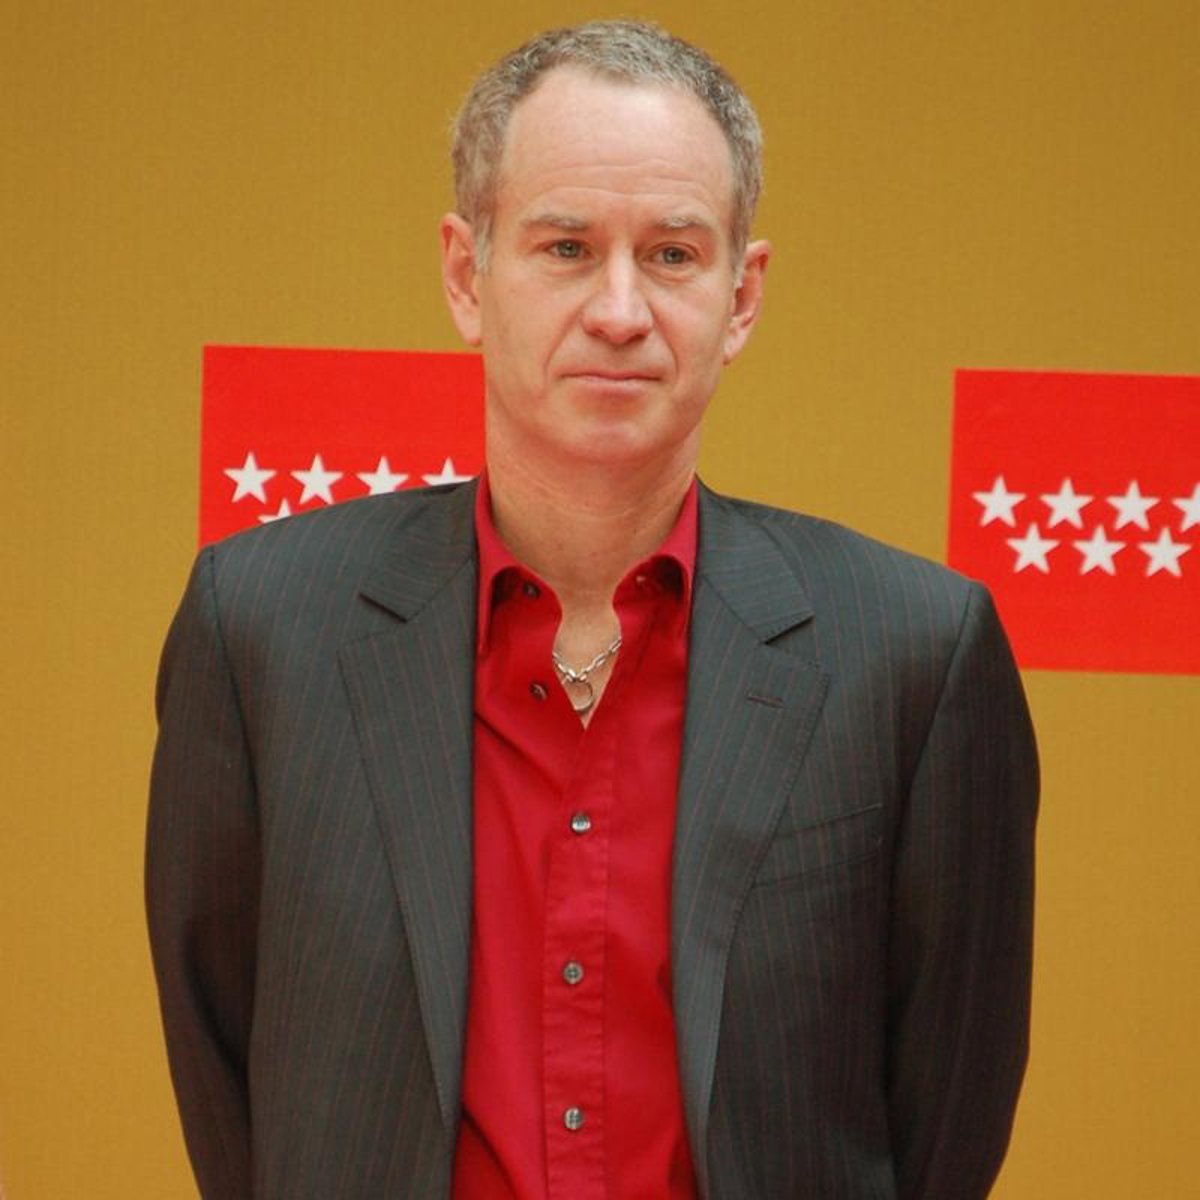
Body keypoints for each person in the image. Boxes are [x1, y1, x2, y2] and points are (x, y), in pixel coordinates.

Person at [146, 19, 1038, 1199]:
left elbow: (950, 1106)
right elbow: (224, 1066)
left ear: (741, 296)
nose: (621, 309)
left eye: (672, 254)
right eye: (566, 248)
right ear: (466, 276)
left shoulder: (916, 654)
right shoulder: (262, 628)